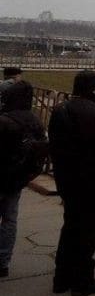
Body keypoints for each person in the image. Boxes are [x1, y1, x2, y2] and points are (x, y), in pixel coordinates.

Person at [49, 70, 95, 296]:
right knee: (89, 232)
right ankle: (83, 282)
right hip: (92, 183)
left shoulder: (60, 109)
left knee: (70, 227)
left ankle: (61, 279)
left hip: (66, 180)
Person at [0, 80, 47, 279]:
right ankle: (3, 262)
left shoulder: (4, 119)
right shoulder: (35, 121)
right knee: (10, 219)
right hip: (17, 178)